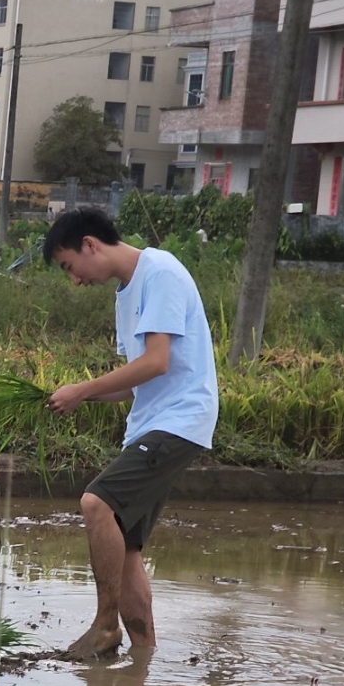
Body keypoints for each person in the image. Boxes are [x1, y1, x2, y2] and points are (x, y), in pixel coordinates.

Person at [43, 205, 217, 659]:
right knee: (127, 545)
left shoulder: (159, 272)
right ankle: (144, 653)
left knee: (96, 503)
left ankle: (105, 626)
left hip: (179, 418)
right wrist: (79, 397)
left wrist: (83, 388)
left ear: (90, 245)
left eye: (69, 267)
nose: (75, 280)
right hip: (152, 420)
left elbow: (157, 361)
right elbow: (135, 382)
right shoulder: (127, 294)